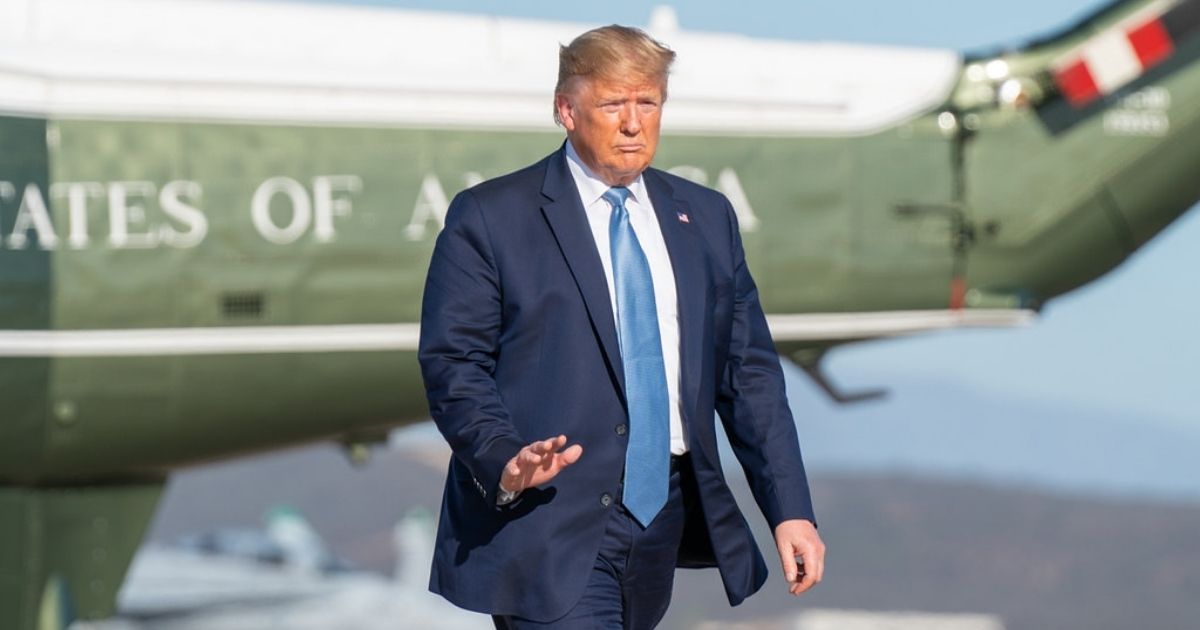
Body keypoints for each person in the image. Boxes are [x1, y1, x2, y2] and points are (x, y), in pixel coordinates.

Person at [418, 24, 825, 630]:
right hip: (546, 519)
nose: (633, 122)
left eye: (648, 102)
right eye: (613, 104)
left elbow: (749, 377)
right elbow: (453, 362)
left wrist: (790, 509)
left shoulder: (706, 218)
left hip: (662, 517)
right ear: (566, 109)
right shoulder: (491, 218)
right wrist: (503, 457)